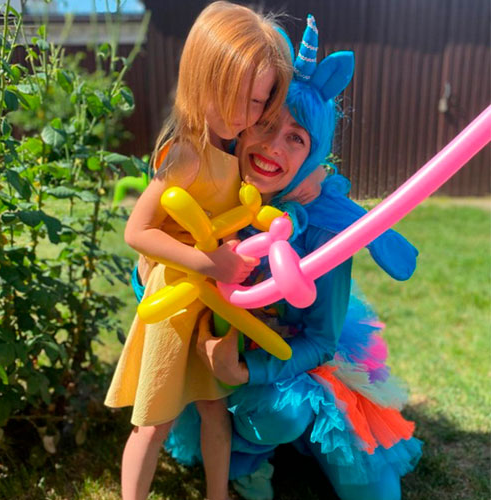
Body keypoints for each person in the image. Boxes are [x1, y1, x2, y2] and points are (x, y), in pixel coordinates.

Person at [165, 15, 422, 500]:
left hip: (300, 357)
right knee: (273, 415)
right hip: (222, 351)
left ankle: (304, 438)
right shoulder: (212, 185)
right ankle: (248, 455)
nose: (272, 146)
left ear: (313, 155)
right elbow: (158, 272)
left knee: (375, 493)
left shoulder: (324, 225)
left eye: (296, 138)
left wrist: (248, 371)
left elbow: (321, 340)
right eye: (265, 124)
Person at [105, 4, 323, 500]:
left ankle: (217, 494)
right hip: (177, 300)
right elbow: (138, 232)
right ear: (200, 77)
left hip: (215, 303)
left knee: (214, 409)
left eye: (257, 102)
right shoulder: (185, 152)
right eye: (234, 95)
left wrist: (313, 171)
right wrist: (211, 262)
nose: (243, 114)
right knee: (153, 421)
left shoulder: (233, 145)